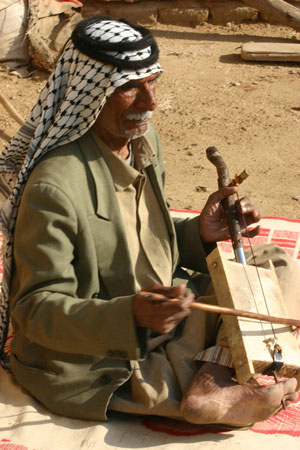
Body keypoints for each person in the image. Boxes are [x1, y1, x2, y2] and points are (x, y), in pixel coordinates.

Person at [0, 15, 299, 426]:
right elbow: (33, 311)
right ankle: (219, 385)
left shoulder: (143, 141)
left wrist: (199, 233)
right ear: (91, 94)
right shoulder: (54, 188)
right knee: (162, 378)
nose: (150, 102)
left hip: (173, 306)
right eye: (129, 88)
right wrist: (132, 316)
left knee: (274, 261)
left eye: (152, 81)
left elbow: (147, 243)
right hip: (106, 351)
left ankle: (215, 375)